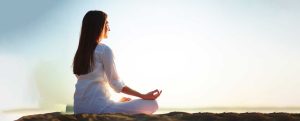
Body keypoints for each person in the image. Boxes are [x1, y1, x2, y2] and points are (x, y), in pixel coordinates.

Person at [72, 10, 162, 115]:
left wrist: (115, 103)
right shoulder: (104, 50)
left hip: (78, 109)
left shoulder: (80, 54)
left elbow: (90, 87)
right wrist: (143, 95)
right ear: (99, 26)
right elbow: (116, 84)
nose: (109, 28)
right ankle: (114, 106)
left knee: (119, 103)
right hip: (100, 109)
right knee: (153, 104)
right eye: (106, 24)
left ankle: (114, 105)